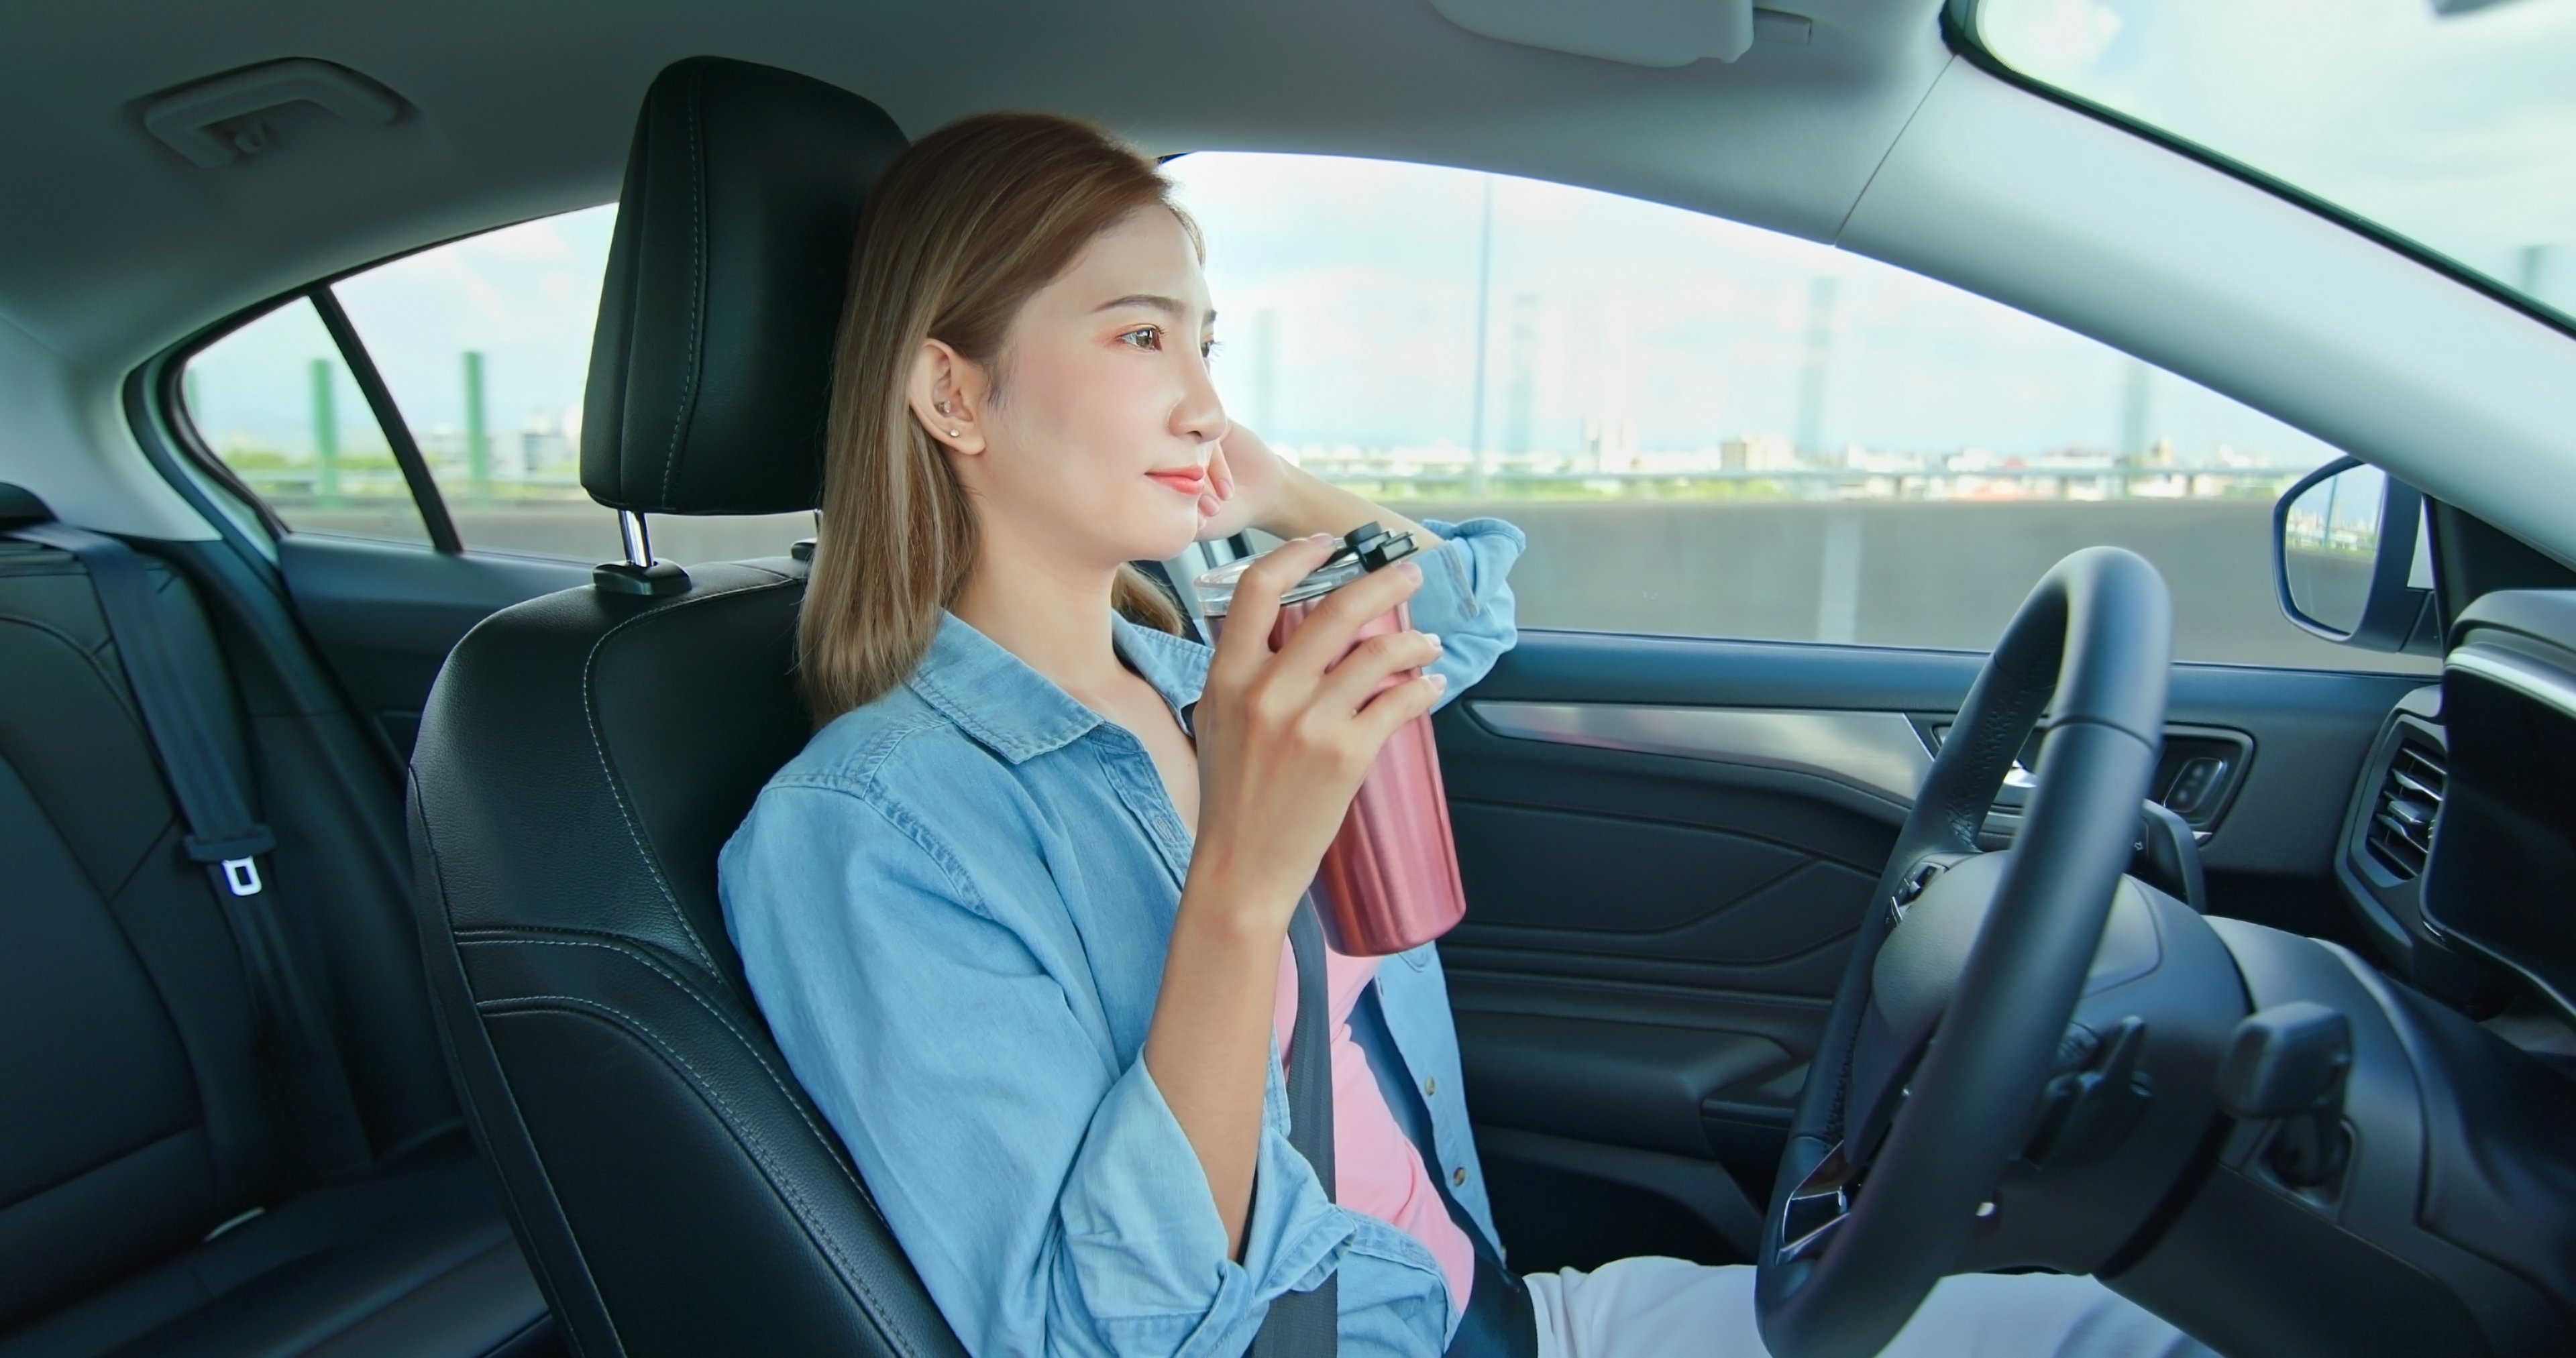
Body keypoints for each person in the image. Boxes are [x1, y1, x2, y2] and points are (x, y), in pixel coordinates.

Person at [718, 113, 2208, 1358]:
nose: (1203, 397)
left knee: (2126, 1328)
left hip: (1482, 1311)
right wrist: (1241, 884)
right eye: (1138, 334)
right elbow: (1097, 1331)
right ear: (951, 393)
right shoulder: (868, 831)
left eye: (1208, 339)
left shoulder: (1204, 658)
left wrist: (1281, 489)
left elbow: (1473, 606)